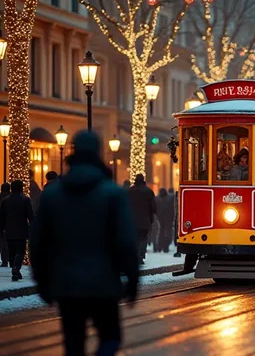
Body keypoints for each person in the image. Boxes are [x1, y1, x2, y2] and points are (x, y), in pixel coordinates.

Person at [30, 131, 139, 356]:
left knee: (73, 342)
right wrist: (132, 280)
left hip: (66, 283)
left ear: (73, 152)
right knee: (110, 337)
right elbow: (126, 242)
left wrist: (43, 283)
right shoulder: (113, 194)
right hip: (104, 282)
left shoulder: (52, 196)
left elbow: (38, 243)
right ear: (98, 153)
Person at [0, 180, 34, 281]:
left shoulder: (5, 200)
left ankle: (14, 269)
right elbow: (30, 215)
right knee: (20, 250)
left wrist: (2, 228)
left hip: (9, 229)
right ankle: (16, 267)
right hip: (21, 229)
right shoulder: (25, 199)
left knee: (11, 250)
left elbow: (1, 217)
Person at [128, 174, 156, 264]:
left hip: (131, 219)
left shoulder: (130, 191)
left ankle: (134, 255)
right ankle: (141, 256)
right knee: (143, 238)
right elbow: (154, 207)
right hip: (145, 220)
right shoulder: (148, 191)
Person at [156, 188, 175, 253]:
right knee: (168, 232)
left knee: (161, 232)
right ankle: (165, 247)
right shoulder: (170, 198)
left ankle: (159, 246)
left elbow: (156, 209)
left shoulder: (157, 199)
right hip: (168, 218)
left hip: (160, 218)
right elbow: (172, 208)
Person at [0, 183, 10, 267]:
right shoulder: (10, 198)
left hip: (1, 224)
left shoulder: (1, 197)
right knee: (7, 242)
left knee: (2, 243)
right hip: (9, 224)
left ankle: (4, 261)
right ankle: (9, 258)